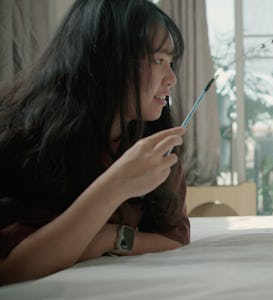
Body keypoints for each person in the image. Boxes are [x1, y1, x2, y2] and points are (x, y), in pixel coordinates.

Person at [0, 0, 190, 285]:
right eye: (159, 60)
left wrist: (108, 239)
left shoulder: (151, 144)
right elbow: (11, 269)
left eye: (171, 62)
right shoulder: (27, 141)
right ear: (109, 60)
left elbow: (174, 236)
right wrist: (114, 186)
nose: (172, 78)